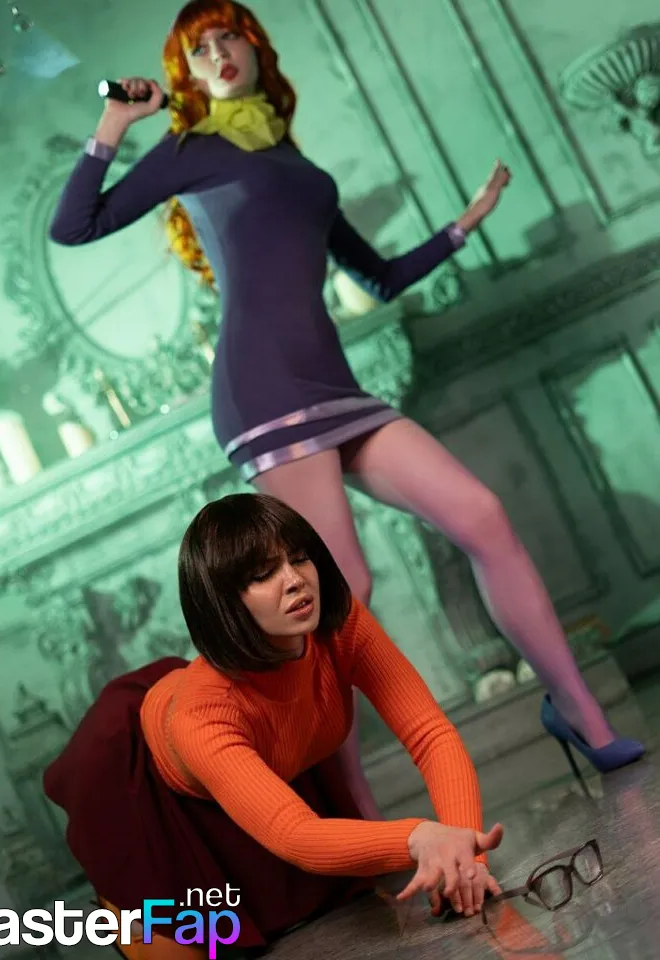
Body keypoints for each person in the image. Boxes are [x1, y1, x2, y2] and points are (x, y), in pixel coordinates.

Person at [48, 0, 644, 819]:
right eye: (199, 48)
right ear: (187, 71)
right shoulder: (192, 148)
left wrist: (462, 226)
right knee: (340, 591)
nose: (218, 54)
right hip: (264, 389)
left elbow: (380, 278)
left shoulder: (292, 160)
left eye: (228, 37)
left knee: (480, 513)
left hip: (333, 384)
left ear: (255, 47)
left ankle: (579, 714)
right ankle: (351, 808)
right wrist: (114, 123)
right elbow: (73, 224)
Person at [44, 492, 505, 960]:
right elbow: (293, 834)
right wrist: (418, 837)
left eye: (299, 557)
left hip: (260, 748)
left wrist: (468, 860)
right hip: (143, 795)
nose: (295, 580)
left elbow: (430, 734)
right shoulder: (201, 715)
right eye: (263, 575)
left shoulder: (340, 624)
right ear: (224, 602)